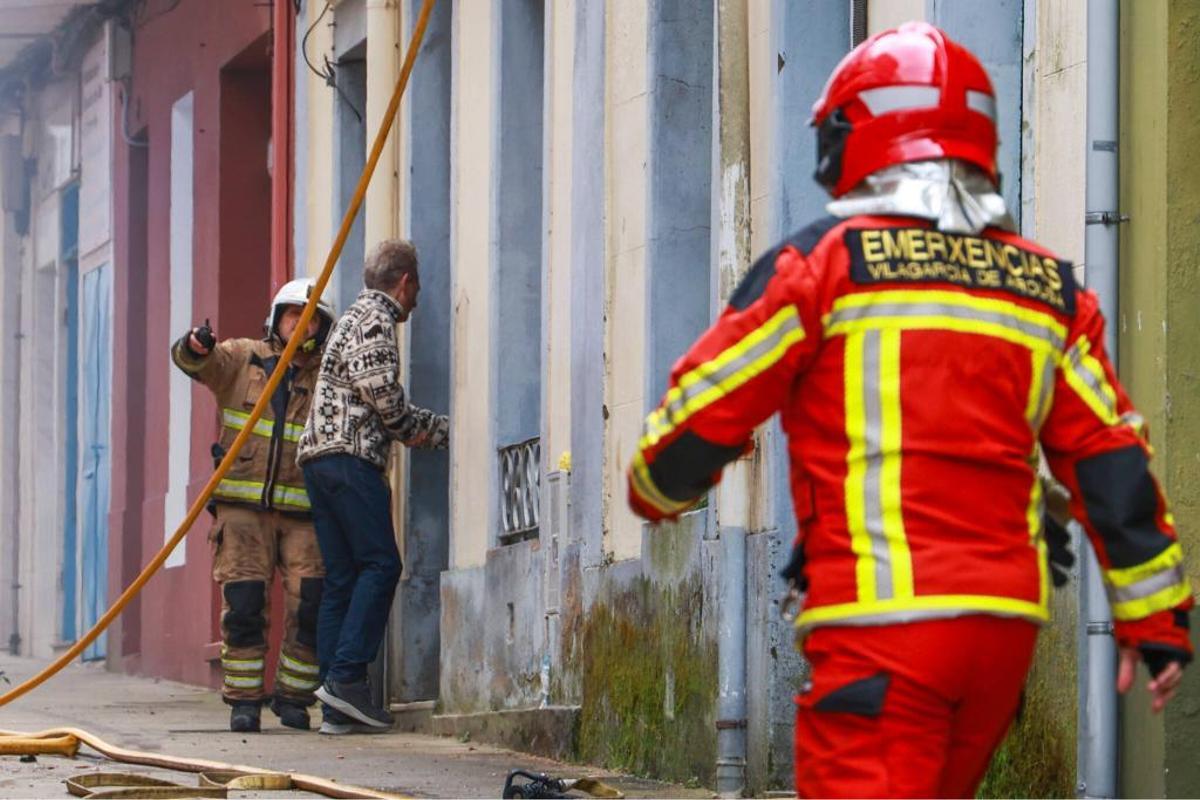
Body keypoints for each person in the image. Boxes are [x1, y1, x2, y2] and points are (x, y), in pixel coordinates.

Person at [627, 22, 1192, 798]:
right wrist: (1156, 620)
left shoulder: (825, 264)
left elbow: (703, 412)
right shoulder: (1049, 289)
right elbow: (1111, 457)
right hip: (1002, 635)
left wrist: (656, 488)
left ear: (859, 136)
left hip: (883, 630)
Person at [297, 239, 449, 735]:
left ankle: (336, 703)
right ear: (404, 282)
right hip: (349, 460)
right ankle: (345, 679)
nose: (418, 299)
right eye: (417, 287)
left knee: (343, 574)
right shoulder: (376, 318)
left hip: (321, 462)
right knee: (383, 564)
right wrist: (434, 430)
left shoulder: (350, 316)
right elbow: (385, 398)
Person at [171, 278, 336, 733]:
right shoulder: (243, 358)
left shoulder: (328, 377)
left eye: (311, 318)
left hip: (305, 515)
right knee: (244, 605)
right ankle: (244, 701)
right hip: (242, 512)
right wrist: (195, 345)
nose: (299, 324)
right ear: (276, 318)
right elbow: (195, 363)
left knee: (311, 606)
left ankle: (294, 698)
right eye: (291, 315)